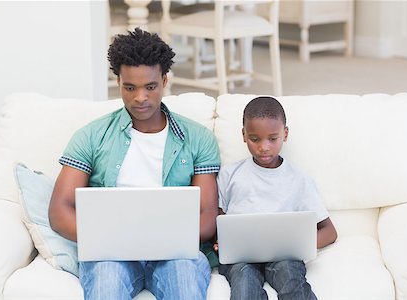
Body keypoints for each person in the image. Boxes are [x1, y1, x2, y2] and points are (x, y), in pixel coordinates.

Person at [48, 28, 220, 300]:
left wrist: (158, 238)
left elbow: (208, 215)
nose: (140, 97)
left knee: (184, 284)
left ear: (164, 80)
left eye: (150, 87)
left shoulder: (198, 139)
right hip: (111, 255)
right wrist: (109, 239)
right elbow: (59, 211)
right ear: (118, 82)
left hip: (175, 255)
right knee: (106, 285)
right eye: (130, 87)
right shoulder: (91, 136)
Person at [215, 96, 337, 300]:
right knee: (244, 287)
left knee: (292, 280)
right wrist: (220, 239)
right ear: (244, 135)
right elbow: (219, 218)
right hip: (241, 258)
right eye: (255, 139)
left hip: (284, 256)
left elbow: (329, 232)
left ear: (285, 134)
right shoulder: (230, 174)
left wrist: (298, 244)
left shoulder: (299, 180)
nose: (264, 147)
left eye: (273, 139)